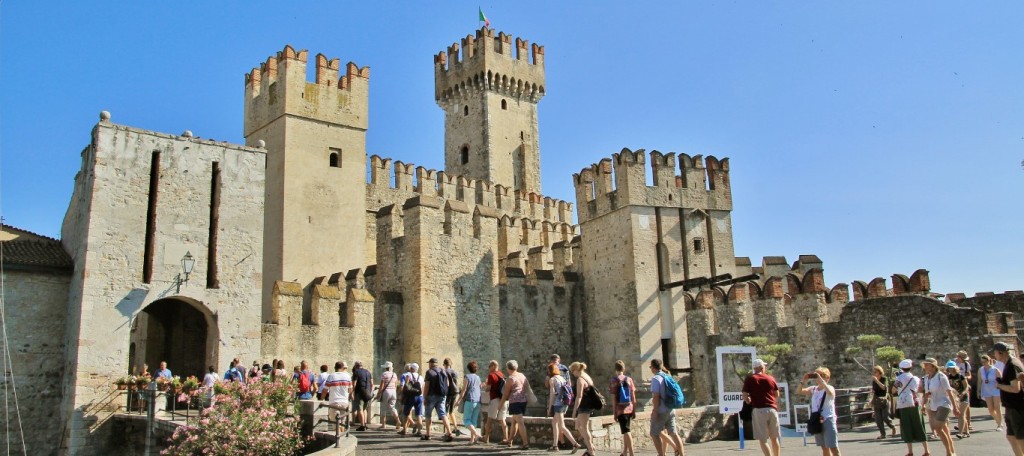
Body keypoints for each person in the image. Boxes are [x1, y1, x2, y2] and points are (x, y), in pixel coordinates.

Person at [920, 358, 958, 456]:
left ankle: (949, 452)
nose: (925, 366)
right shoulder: (927, 378)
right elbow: (927, 393)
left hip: (944, 404)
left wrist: (955, 407)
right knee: (944, 429)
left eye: (927, 364)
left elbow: (949, 392)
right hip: (934, 405)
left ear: (933, 366)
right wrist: (923, 406)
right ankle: (952, 451)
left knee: (938, 428)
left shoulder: (941, 376)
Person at [798, 367, 840, 456]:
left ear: (827, 377)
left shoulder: (830, 388)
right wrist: (803, 381)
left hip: (828, 418)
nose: (818, 378)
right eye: (817, 376)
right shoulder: (814, 389)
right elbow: (799, 391)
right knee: (824, 447)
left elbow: (830, 393)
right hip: (817, 420)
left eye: (821, 375)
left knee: (833, 447)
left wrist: (821, 380)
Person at [892, 358, 930, 456]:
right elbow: (920, 389)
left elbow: (893, 390)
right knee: (919, 424)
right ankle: (926, 450)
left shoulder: (899, 378)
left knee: (906, 425)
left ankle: (910, 451)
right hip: (915, 402)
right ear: (910, 367)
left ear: (902, 368)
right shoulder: (916, 378)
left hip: (903, 404)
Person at [743, 359, 780, 456]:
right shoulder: (770, 378)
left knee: (763, 439)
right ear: (762, 367)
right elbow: (777, 394)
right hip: (772, 409)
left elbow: (744, 395)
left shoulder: (750, 379)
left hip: (759, 410)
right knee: (774, 438)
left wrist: (748, 400)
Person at [993, 342, 1024, 456]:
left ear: (1001, 353)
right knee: (1011, 437)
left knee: (1020, 436)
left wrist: (999, 385)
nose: (994, 355)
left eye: (995, 353)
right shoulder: (1008, 364)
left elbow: (1015, 388)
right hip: (1010, 406)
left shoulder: (1012, 365)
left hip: (1017, 406)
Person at [649, 359, 684, 456]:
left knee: (654, 434)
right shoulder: (667, 376)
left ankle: (661, 455)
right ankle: (682, 454)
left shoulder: (656, 379)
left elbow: (656, 397)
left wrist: (655, 411)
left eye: (650, 367)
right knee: (674, 433)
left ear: (653, 367)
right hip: (671, 409)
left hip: (661, 410)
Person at [542, 362, 580, 452]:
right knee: (554, 423)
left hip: (558, 405)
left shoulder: (552, 380)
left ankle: (575, 444)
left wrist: (549, 408)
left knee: (562, 426)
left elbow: (552, 395)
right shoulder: (562, 378)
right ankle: (555, 446)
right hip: (564, 403)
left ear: (550, 371)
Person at [500, 359, 531, 450]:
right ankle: (510, 440)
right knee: (514, 422)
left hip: (515, 402)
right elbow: (526, 386)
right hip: (523, 401)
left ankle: (525, 443)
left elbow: (505, 394)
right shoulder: (522, 375)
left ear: (508, 368)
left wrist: (500, 405)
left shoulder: (510, 379)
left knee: (520, 423)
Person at [570, 362, 599, 456]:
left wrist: (574, 410)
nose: (572, 373)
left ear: (576, 370)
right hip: (588, 405)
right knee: (578, 426)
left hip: (584, 406)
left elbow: (579, 396)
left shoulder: (580, 380)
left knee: (584, 428)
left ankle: (591, 450)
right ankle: (591, 446)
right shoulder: (586, 376)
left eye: (572, 371)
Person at [422, 357, 455, 441]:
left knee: (428, 415)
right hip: (442, 395)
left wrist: (424, 397)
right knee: (443, 414)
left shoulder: (429, 372)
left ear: (430, 363)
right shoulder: (442, 370)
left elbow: (427, 386)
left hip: (431, 396)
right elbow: (447, 383)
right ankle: (449, 432)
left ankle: (428, 434)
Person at [609, 360, 636, 456]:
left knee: (626, 431)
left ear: (615, 369)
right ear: (624, 368)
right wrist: (634, 409)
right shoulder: (629, 379)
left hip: (620, 408)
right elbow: (633, 396)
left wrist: (614, 412)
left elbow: (613, 398)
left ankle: (632, 454)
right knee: (626, 430)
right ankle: (625, 452)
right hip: (629, 407)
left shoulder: (613, 380)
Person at [456, 361, 484, 445]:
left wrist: (458, 400)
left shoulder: (467, 377)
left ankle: (476, 435)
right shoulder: (478, 377)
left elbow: (464, 390)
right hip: (478, 401)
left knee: (466, 420)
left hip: (470, 400)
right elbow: (479, 387)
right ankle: (472, 440)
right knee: (473, 421)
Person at [482, 360, 509, 445]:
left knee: (490, 419)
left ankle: (486, 438)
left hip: (495, 399)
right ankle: (506, 438)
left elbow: (488, 389)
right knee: (502, 419)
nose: (488, 368)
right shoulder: (501, 374)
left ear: (493, 366)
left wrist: (485, 385)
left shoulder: (491, 375)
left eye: (489, 366)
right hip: (503, 399)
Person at [324, 361, 353, 431]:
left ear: (335, 368)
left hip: (334, 402)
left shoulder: (331, 376)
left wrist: (321, 399)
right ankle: (342, 438)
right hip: (344, 402)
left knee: (335, 424)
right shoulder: (347, 376)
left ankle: (338, 439)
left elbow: (325, 390)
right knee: (342, 423)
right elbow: (350, 390)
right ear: (343, 368)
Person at [978, 354, 1004, 431]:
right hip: (986, 390)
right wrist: (978, 391)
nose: (983, 364)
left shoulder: (995, 369)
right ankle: (998, 420)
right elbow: (979, 381)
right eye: (982, 362)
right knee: (990, 409)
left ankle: (999, 425)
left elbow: (1001, 380)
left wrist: (998, 384)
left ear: (989, 361)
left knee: (997, 407)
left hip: (995, 389)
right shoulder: (980, 370)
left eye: (985, 362)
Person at [870, 365, 896, 439]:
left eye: (875, 372)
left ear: (879, 372)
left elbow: (884, 388)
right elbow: (874, 391)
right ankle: (882, 434)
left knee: (885, 417)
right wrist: (871, 400)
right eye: (874, 372)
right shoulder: (873, 381)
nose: (874, 373)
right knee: (878, 419)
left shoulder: (884, 379)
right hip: (877, 400)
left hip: (884, 400)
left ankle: (893, 427)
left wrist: (877, 381)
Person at [398, 363, 424, 436]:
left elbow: (404, 386)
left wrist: (400, 395)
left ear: (411, 368)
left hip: (410, 396)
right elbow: (422, 388)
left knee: (406, 413)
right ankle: (419, 431)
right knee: (419, 414)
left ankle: (405, 429)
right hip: (419, 396)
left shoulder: (407, 376)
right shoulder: (421, 377)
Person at [946, 361, 970, 439]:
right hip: (955, 397)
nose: (950, 369)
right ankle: (966, 431)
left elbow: (966, 387)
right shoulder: (949, 377)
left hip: (963, 397)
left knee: (961, 415)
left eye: (952, 368)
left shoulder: (960, 376)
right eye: (949, 368)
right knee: (959, 415)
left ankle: (960, 433)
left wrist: (962, 393)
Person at [350, 361, 374, 431]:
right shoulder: (368, 372)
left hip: (359, 392)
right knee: (364, 409)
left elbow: (354, 384)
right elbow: (372, 384)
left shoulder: (356, 372)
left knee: (359, 409)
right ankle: (365, 424)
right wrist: (370, 392)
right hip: (367, 392)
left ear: (356, 366)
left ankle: (362, 425)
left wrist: (352, 392)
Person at [375, 361, 399, 430]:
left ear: (386, 368)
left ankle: (383, 424)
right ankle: (398, 421)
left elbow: (382, 385)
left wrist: (378, 394)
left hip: (386, 391)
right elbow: (396, 384)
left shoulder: (384, 374)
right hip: (393, 392)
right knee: (392, 408)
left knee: (383, 408)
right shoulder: (394, 374)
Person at [954, 350, 973, 434]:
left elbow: (969, 375)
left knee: (966, 405)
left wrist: (966, 377)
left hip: (964, 385)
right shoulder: (954, 363)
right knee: (958, 405)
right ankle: (961, 423)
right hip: (956, 386)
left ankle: (968, 424)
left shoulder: (966, 364)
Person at [443, 358, 462, 436]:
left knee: (446, 411)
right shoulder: (455, 372)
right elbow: (456, 382)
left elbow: (446, 383)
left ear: (444, 364)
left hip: (449, 392)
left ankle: (448, 431)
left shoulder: (444, 372)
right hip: (455, 391)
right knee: (451, 411)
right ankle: (456, 428)